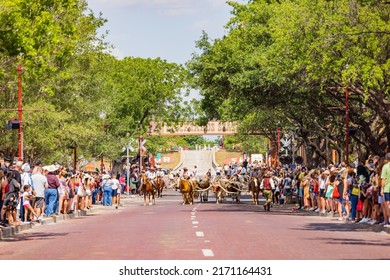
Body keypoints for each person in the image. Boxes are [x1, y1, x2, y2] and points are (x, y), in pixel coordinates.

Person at [381, 153, 390, 227]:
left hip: (387, 188)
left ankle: (389, 220)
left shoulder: (385, 167)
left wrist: (382, 188)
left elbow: (383, 179)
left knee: (388, 204)